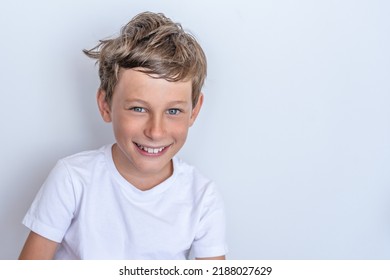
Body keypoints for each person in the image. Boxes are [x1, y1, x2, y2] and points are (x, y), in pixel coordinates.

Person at [18, 11, 227, 260]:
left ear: (195, 111)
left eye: (173, 111)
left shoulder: (202, 198)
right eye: (138, 108)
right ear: (106, 105)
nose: (155, 131)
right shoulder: (73, 180)